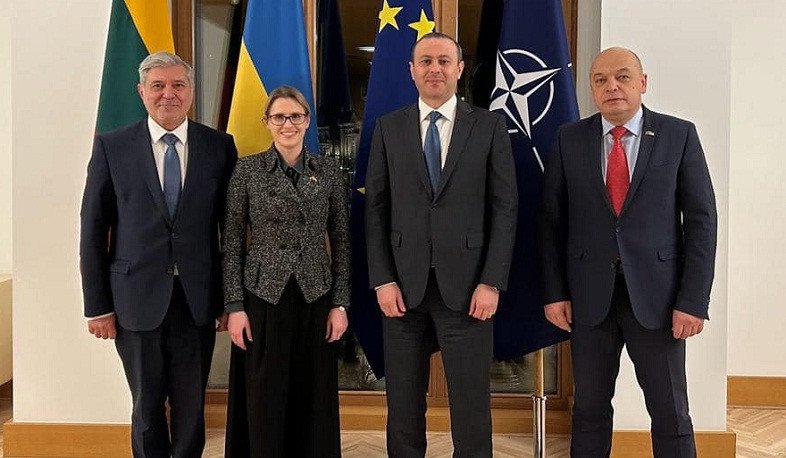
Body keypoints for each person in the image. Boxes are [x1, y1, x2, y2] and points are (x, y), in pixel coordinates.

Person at [538, 47, 717, 457]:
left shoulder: (678, 135)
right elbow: (550, 222)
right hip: (588, 300)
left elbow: (702, 221)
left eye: (622, 77)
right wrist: (554, 293)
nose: (612, 87)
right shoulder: (569, 139)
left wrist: (693, 301)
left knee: (671, 411)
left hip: (659, 301)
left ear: (642, 83)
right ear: (592, 88)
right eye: (600, 79)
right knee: (589, 410)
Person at [365, 32, 518, 457]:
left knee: (471, 406)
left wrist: (492, 281)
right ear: (412, 70)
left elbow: (504, 209)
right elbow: (375, 209)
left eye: (444, 61)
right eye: (426, 61)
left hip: (469, 289)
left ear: (460, 69)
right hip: (401, 289)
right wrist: (382, 280)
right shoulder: (388, 128)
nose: (435, 69)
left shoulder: (488, 127)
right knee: (402, 406)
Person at [80, 51, 237, 457]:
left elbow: (232, 230)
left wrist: (229, 300)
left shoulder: (219, 146)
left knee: (191, 407)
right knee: (146, 407)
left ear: (191, 92)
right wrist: (97, 306)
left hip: (197, 301)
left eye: (178, 85)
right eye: (158, 85)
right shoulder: (112, 147)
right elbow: (93, 229)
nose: (169, 94)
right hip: (134, 300)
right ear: (141, 92)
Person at [222, 85, 350, 458]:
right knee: (265, 394)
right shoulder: (247, 170)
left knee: (313, 396)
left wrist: (340, 303)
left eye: (295, 116)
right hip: (262, 296)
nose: (287, 124)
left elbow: (342, 240)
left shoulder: (327, 171)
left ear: (307, 121)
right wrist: (234, 306)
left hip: (315, 295)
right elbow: (232, 240)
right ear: (267, 122)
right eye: (279, 116)